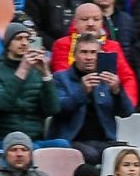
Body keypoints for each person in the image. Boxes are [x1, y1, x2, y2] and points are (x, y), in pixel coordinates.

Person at [50, 34, 134, 164]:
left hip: (105, 141)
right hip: (73, 141)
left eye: (93, 53)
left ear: (100, 55)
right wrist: (81, 92)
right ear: (74, 55)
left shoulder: (107, 79)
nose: (89, 57)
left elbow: (127, 112)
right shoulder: (60, 78)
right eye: (83, 52)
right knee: (92, 155)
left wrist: (117, 91)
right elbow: (57, 109)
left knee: (131, 155)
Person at [0, 24, 62, 145]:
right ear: (8, 45)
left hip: (34, 140)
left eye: (28, 39)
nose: (24, 43)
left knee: (63, 145)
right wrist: (23, 68)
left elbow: (53, 109)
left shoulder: (37, 72)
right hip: (4, 140)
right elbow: (2, 104)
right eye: (18, 38)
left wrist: (46, 73)